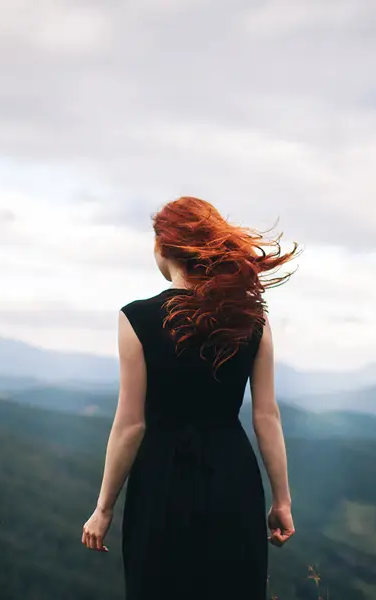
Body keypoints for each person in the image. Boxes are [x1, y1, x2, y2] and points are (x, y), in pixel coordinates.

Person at [81, 196, 299, 599]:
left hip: (161, 482)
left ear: (165, 248)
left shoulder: (137, 319)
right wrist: (281, 500)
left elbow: (131, 425)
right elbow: (266, 416)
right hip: (233, 479)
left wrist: (104, 507)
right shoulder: (254, 319)